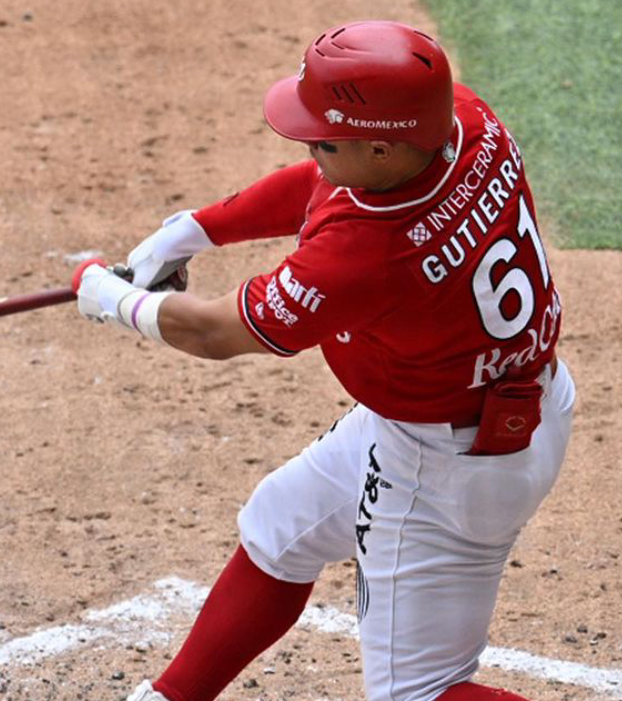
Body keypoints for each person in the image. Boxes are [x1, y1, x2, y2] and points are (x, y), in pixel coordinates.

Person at [73, 20, 575, 701]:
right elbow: (326, 182)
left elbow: (219, 331)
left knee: (417, 694)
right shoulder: (464, 121)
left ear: (377, 146)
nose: (311, 144)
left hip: (446, 465)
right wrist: (200, 227)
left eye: (325, 137)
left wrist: (113, 299)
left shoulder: (367, 255)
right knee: (281, 524)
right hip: (515, 403)